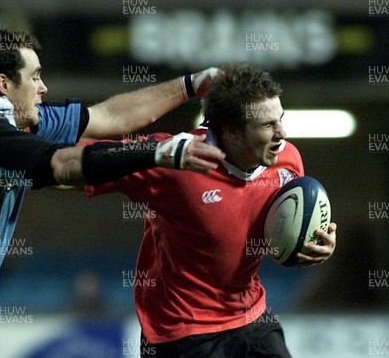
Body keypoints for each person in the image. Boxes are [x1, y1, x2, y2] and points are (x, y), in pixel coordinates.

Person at [0, 26, 225, 357]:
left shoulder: (16, 123)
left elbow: (112, 117)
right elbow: (63, 166)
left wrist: (190, 86)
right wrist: (156, 153)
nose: (44, 88)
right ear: (4, 84)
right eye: (35, 76)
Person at [87, 63, 338, 357]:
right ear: (231, 130)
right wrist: (33, 151)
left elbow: (277, 234)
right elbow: (80, 163)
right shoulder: (174, 160)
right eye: (268, 125)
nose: (282, 133)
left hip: (252, 319)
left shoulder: (287, 161)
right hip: (182, 334)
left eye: (280, 119)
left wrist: (312, 246)